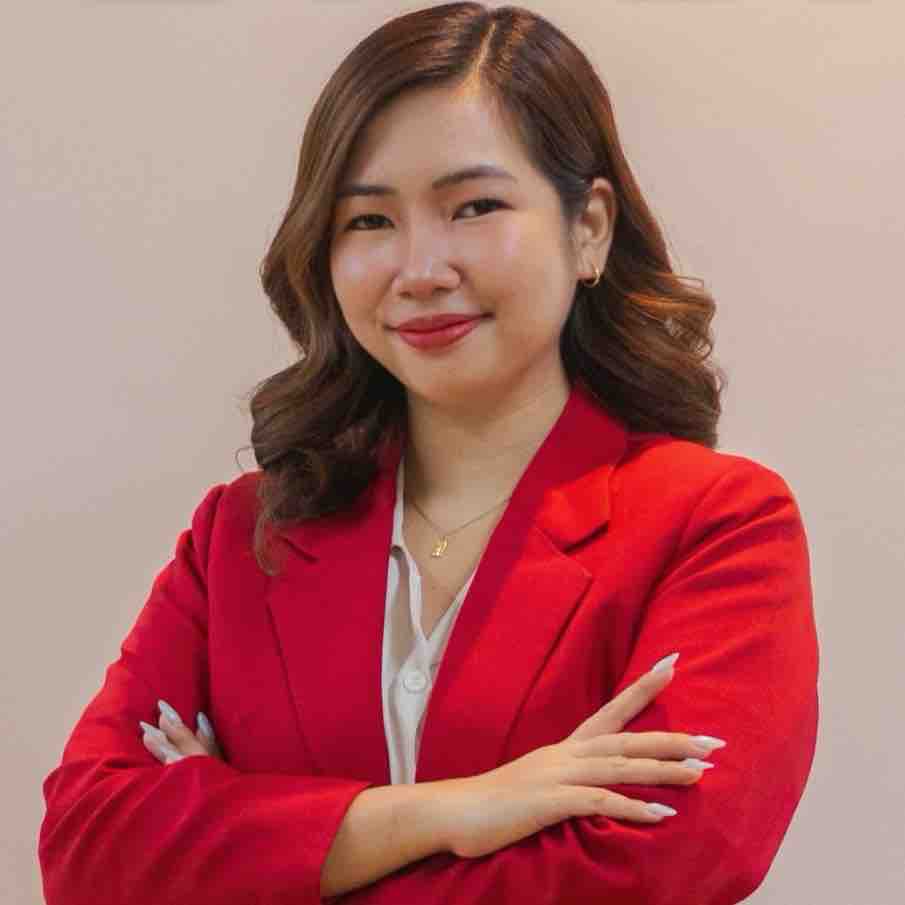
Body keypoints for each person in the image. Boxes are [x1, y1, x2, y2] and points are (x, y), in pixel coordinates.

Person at [37, 3, 819, 904]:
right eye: (368, 220)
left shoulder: (715, 525)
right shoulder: (242, 537)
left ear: (589, 228)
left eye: (474, 207)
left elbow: (658, 867)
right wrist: (452, 810)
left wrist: (254, 851)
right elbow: (86, 849)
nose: (418, 270)